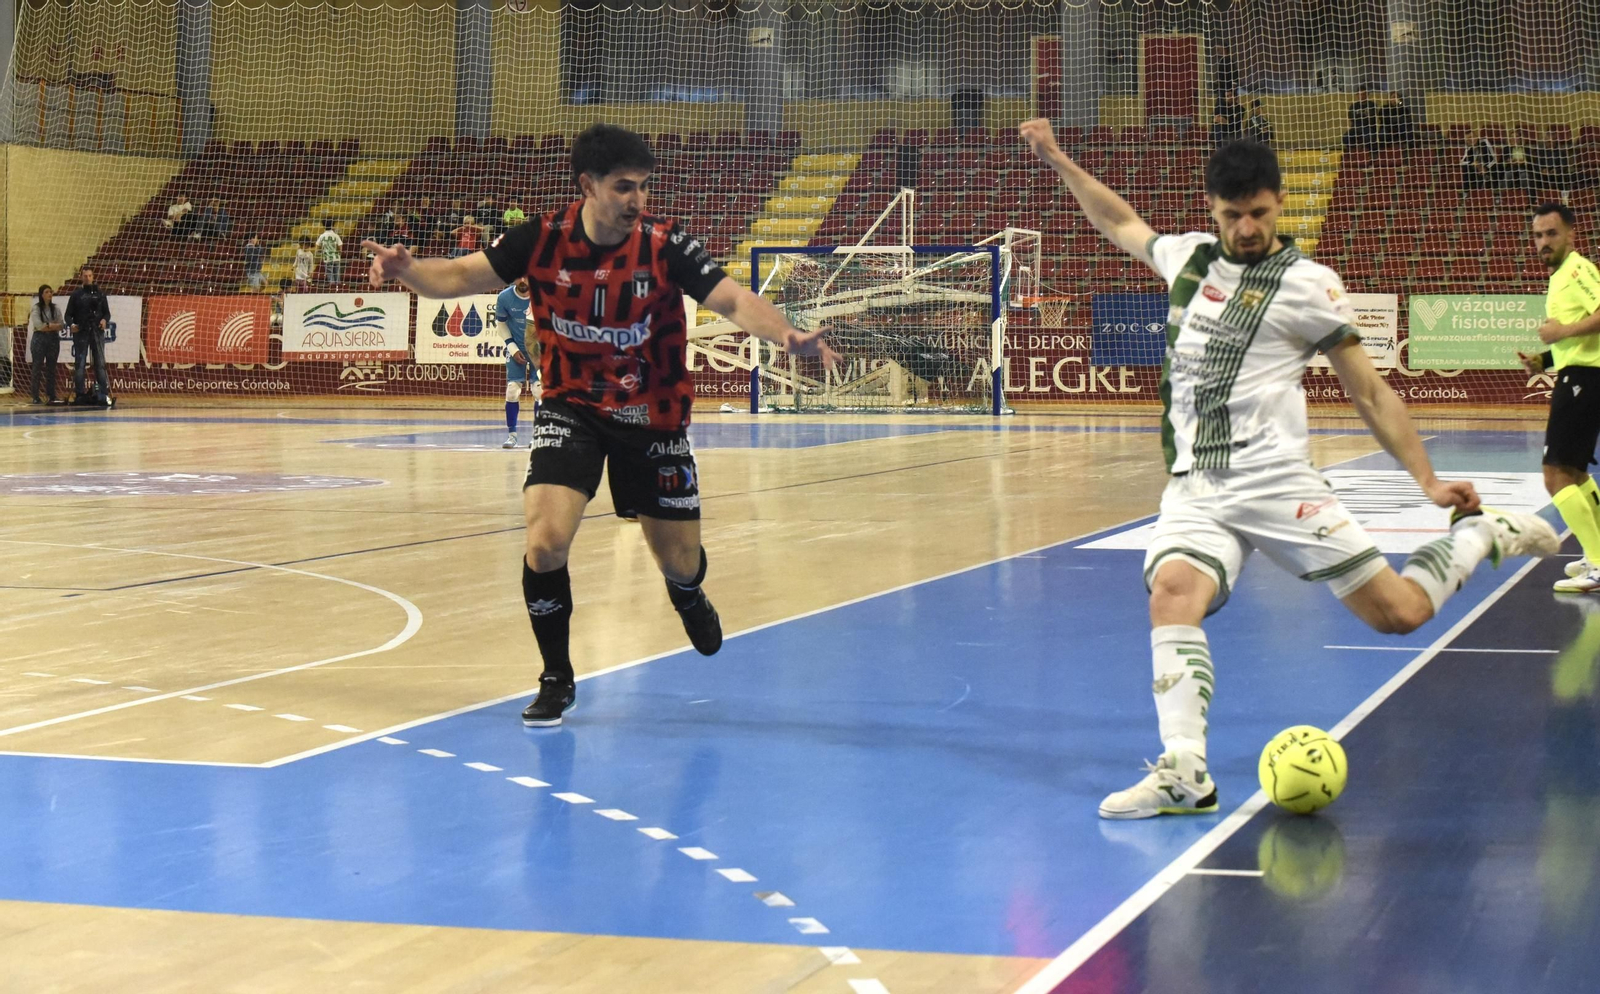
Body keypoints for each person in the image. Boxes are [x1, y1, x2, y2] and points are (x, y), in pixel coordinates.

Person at [1018, 118, 1558, 819]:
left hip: (1279, 484)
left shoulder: (1309, 285)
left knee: (1399, 615)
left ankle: (1483, 536)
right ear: (1212, 212)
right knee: (1172, 592)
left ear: (1279, 205)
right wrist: (1058, 158)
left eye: (1260, 214)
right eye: (1232, 215)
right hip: (1196, 485)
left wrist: (1426, 481)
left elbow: (1369, 390)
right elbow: (1117, 219)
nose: (1246, 227)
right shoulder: (1186, 258)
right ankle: (1185, 773)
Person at [361, 122, 840, 727]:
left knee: (679, 562)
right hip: (572, 406)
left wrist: (787, 334)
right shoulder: (541, 239)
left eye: (643, 187)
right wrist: (409, 270)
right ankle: (557, 677)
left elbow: (733, 300)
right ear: (586, 185)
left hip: (653, 415)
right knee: (545, 542)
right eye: (623, 187)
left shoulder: (666, 245)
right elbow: (459, 277)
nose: (638, 200)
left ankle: (688, 593)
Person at [1518, 204, 1600, 593]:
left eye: (1551, 233)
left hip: (1585, 379)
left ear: (1571, 234)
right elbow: (1579, 337)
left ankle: (1598, 564)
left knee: (1554, 476)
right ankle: (1598, 555)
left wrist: (1560, 330)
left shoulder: (1577, 269)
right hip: (1581, 374)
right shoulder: (1559, 277)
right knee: (1577, 473)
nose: (1543, 242)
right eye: (1538, 235)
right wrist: (1544, 359)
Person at [496, 276, 537, 449]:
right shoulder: (504, 297)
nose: (522, 280)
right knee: (512, 390)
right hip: (516, 349)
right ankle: (512, 436)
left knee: (540, 391)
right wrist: (512, 349)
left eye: (526, 277)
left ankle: (538, 435)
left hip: (538, 350)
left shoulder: (542, 296)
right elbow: (501, 325)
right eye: (518, 277)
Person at [65, 266, 112, 407]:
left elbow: (107, 313)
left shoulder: (100, 294)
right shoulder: (76, 295)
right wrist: (72, 325)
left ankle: (103, 393)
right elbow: (68, 315)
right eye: (85, 276)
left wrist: (104, 320)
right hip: (81, 333)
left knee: (100, 364)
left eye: (90, 276)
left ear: (93, 277)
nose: (87, 278)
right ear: (81, 277)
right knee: (79, 364)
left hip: (97, 332)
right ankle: (79, 393)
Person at [27, 284, 63, 405]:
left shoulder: (56, 308)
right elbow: (39, 325)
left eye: (51, 292)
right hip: (39, 339)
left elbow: (61, 325)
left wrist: (48, 325)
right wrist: (52, 326)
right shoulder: (36, 308)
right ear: (41, 294)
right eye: (47, 292)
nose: (49, 294)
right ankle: (35, 396)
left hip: (53, 339)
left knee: (51, 368)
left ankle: (51, 395)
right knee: (37, 367)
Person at [315, 219, 344, 286]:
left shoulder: (322, 236)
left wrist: (320, 252)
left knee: (330, 275)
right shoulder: (336, 236)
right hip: (336, 258)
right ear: (332, 226)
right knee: (337, 275)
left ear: (324, 226)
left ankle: (332, 290)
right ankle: (338, 290)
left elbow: (317, 246)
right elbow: (340, 248)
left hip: (327, 258)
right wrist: (338, 253)